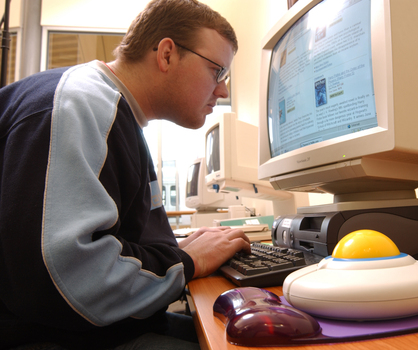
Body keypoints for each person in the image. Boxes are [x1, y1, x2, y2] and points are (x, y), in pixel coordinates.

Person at [0, 0, 251, 349]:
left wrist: (178, 251)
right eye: (217, 72)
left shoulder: (119, 118)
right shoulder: (81, 104)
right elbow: (69, 281)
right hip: (46, 334)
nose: (222, 90)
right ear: (166, 54)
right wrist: (186, 262)